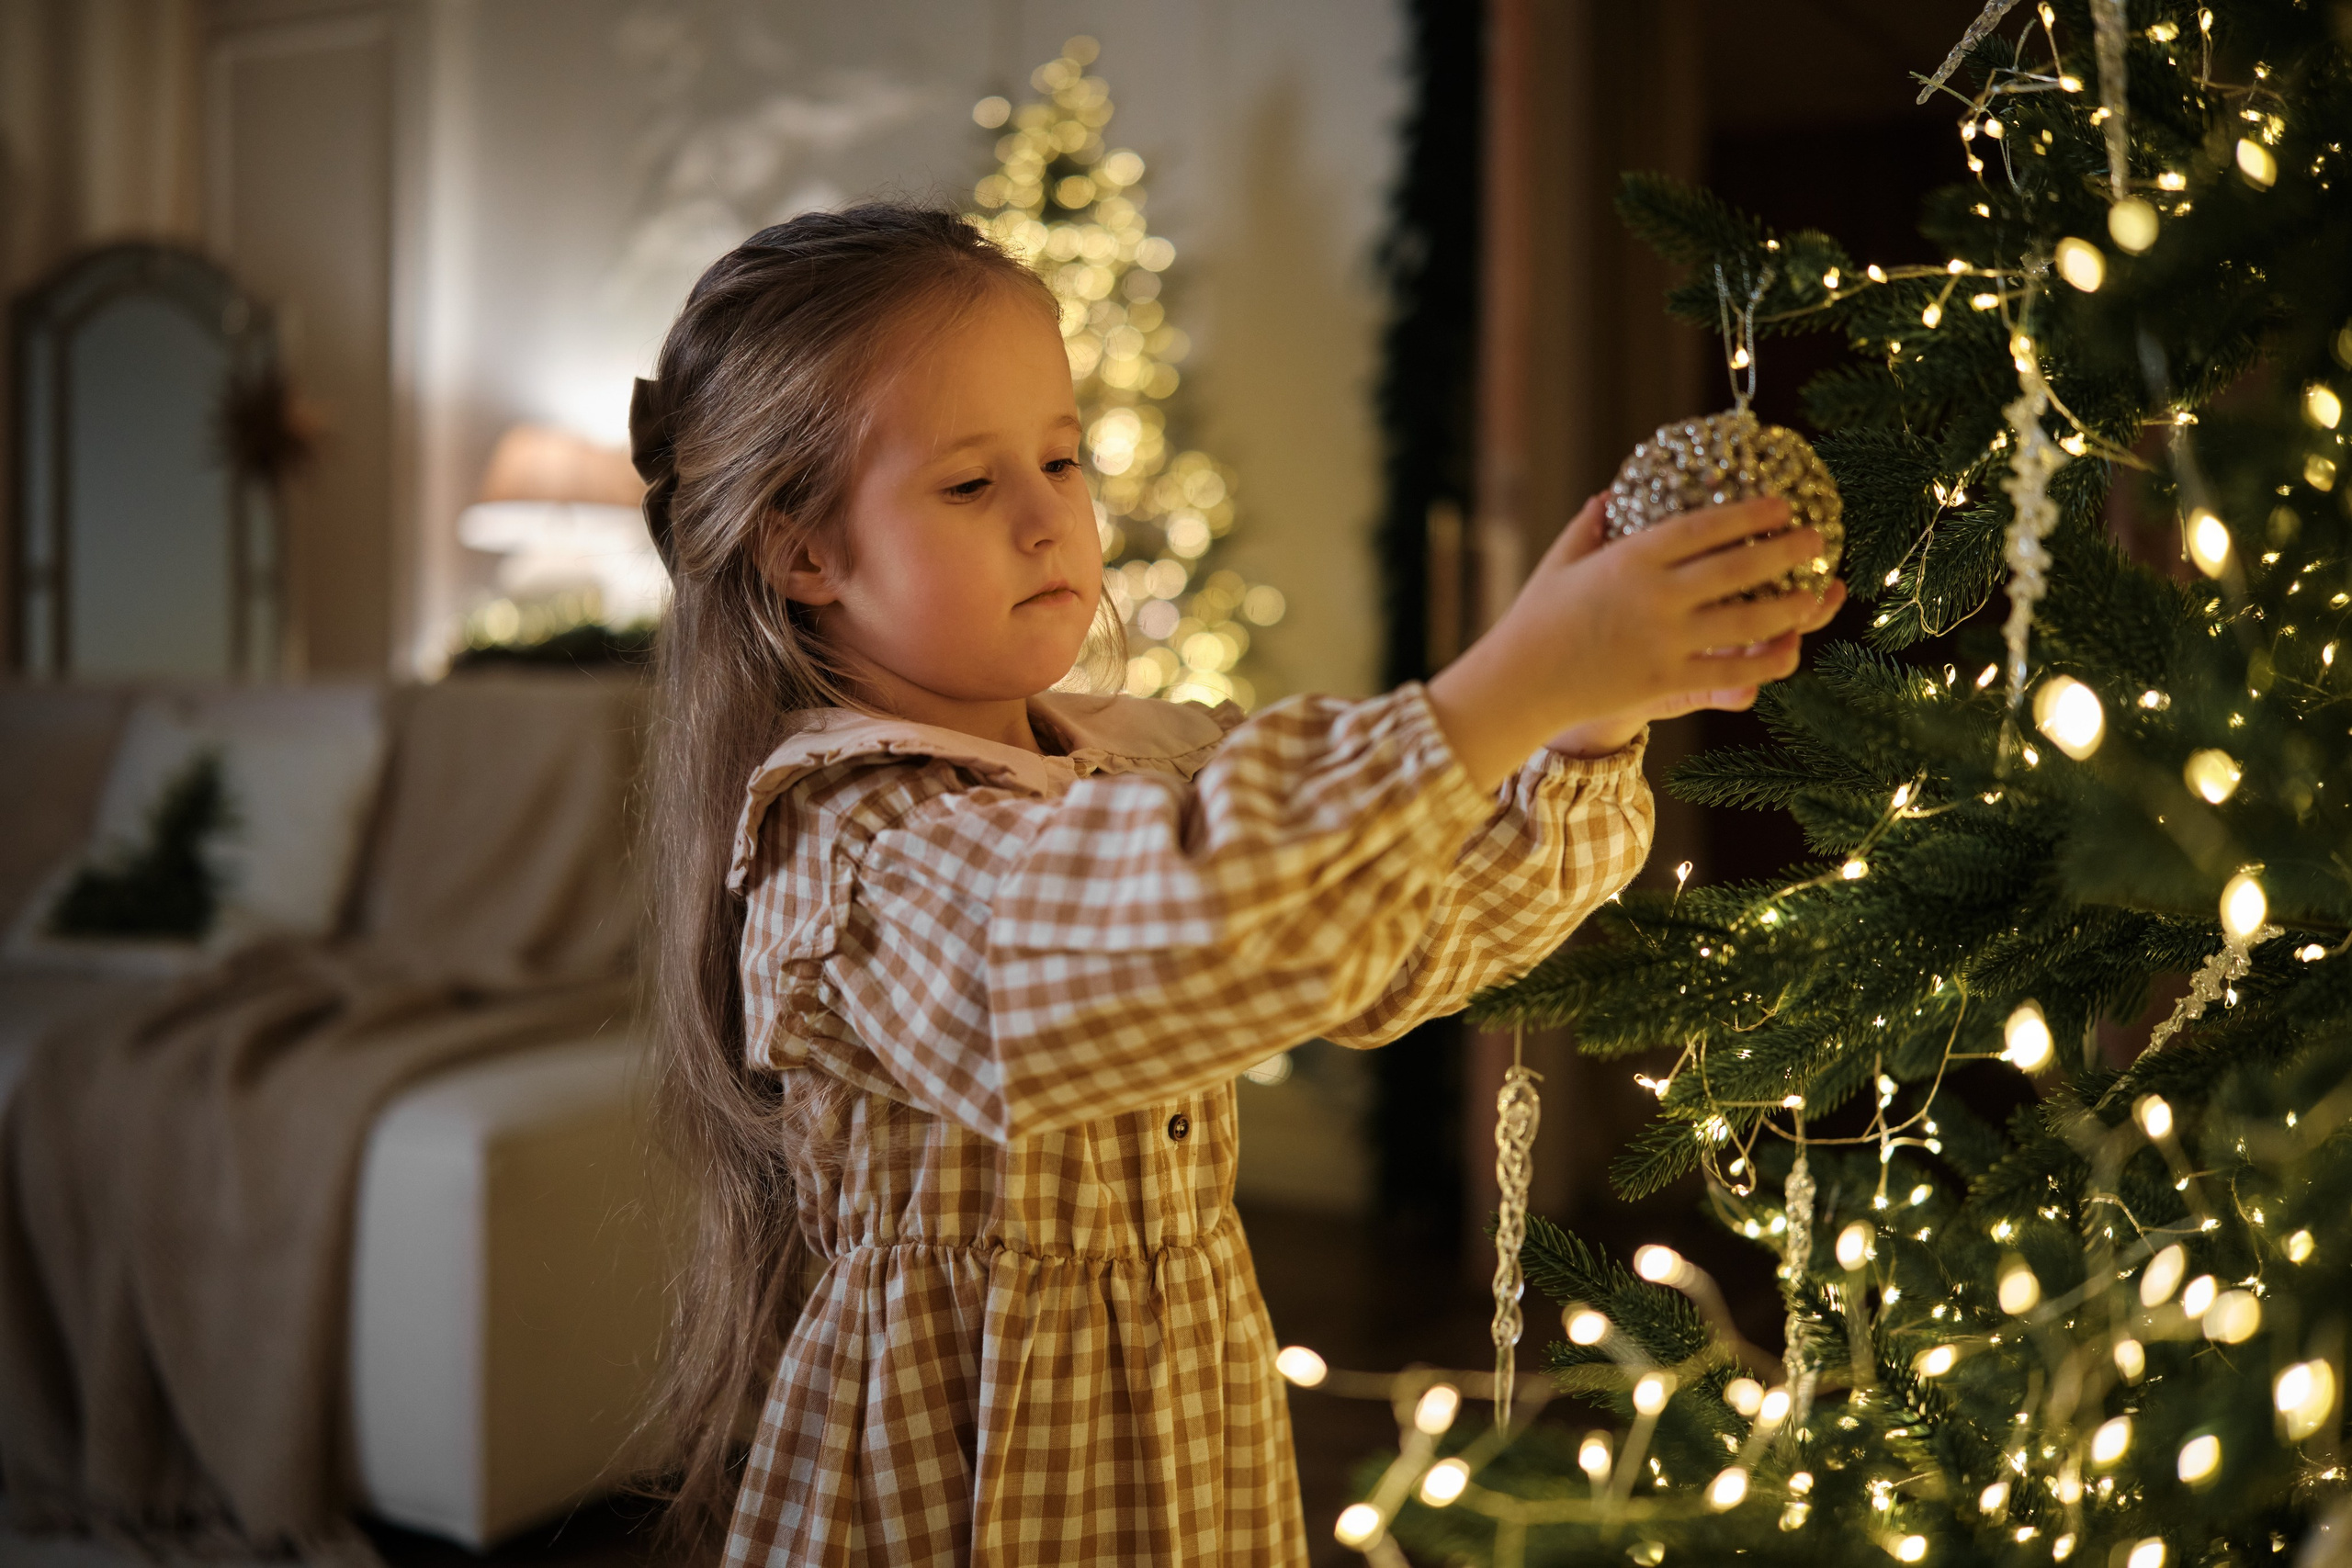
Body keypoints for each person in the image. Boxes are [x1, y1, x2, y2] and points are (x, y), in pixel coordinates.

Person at [631, 204, 1843, 1565]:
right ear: (803, 553)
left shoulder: (1146, 763)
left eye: (1062, 458)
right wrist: (1504, 686)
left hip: (1185, 1414)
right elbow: (1131, 945)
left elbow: (1406, 936)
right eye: (971, 487)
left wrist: (1575, 727)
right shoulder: (845, 844)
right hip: (965, 1466)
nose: (1050, 521)